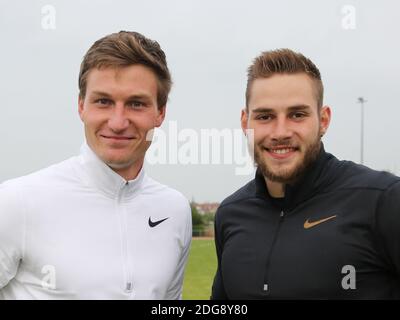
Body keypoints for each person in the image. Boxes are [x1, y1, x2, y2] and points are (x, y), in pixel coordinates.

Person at [0, 31, 192, 300]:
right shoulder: (16, 201)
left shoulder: (175, 210)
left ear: (160, 113)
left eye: (136, 104)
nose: (117, 122)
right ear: (81, 106)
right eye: (103, 101)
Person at [211, 49, 400, 299]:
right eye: (265, 116)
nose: (280, 132)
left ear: (323, 120)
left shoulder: (384, 200)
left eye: (297, 115)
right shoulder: (230, 214)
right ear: (246, 122)